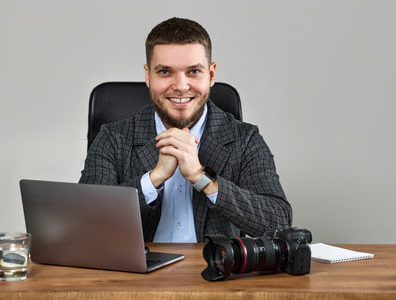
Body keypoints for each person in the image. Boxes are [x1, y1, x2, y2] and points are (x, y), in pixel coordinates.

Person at [79, 17, 292, 242]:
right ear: (147, 75)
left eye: (193, 71)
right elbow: (84, 221)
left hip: (215, 272)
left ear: (211, 74)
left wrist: (203, 178)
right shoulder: (113, 138)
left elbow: (279, 222)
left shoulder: (245, 139)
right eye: (164, 72)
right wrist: (153, 179)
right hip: (136, 274)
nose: (181, 86)